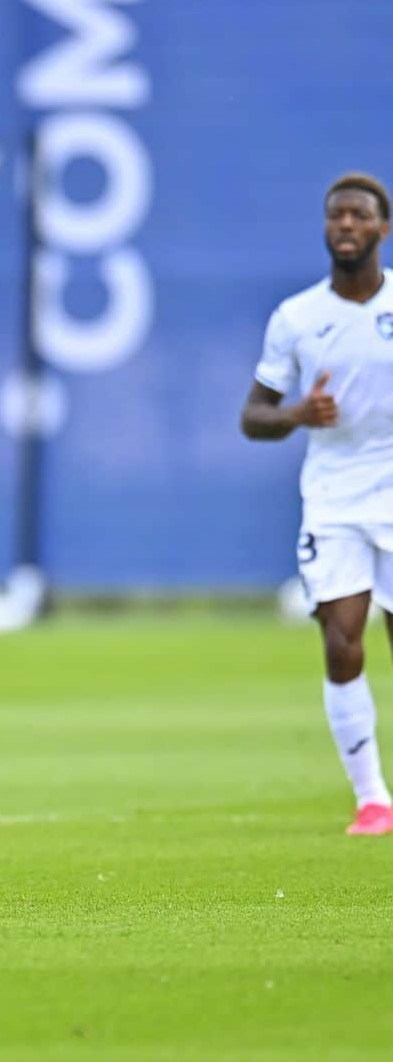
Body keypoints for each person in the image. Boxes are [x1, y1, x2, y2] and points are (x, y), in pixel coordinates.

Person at [241, 172, 393, 836]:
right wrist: (301, 411)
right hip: (334, 498)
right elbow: (253, 415)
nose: (347, 225)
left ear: (382, 229)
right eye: (337, 216)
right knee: (341, 641)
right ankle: (373, 799)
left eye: (360, 215)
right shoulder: (298, 318)